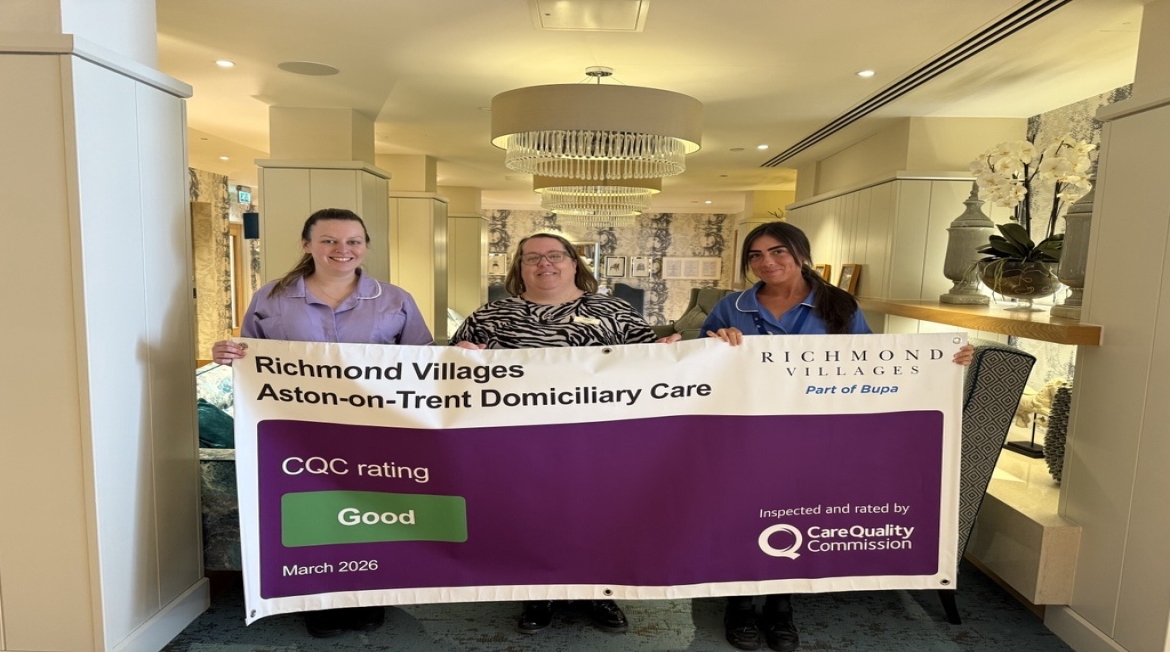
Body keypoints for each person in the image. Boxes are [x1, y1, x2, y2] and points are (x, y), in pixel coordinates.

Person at [700, 221, 973, 652]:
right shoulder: (731, 307)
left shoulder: (839, 304)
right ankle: (739, 604)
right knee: (742, 513)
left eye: (777, 252)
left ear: (800, 253)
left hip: (813, 436)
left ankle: (780, 605)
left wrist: (944, 360)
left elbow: (871, 362)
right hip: (746, 434)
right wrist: (715, 342)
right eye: (755, 255)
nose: (766, 262)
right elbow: (696, 367)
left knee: (792, 514)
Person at [211, 208, 433, 638]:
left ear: (365, 246)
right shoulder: (271, 297)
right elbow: (252, 359)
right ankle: (320, 600)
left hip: (376, 432)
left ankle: (372, 595)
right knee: (315, 516)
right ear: (307, 244)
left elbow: (421, 361)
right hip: (298, 433)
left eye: (353, 241)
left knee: (376, 515)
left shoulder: (395, 299)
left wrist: (464, 357)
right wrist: (228, 354)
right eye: (329, 240)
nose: (342, 250)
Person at [449, 232, 657, 634]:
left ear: (574, 263)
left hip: (599, 444)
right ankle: (536, 592)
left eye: (554, 256)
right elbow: (454, 375)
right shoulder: (491, 317)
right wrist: (460, 359)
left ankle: (602, 593)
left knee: (601, 517)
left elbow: (656, 365)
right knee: (531, 517)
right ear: (519, 267)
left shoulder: (615, 312)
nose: (544, 264)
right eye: (532, 258)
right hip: (520, 444)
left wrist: (680, 352)